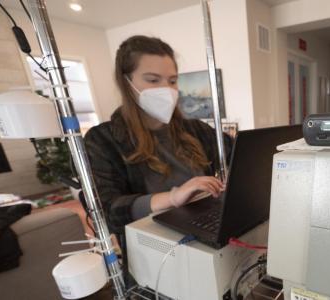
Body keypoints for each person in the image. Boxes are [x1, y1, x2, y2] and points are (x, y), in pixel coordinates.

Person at [84, 35, 232, 234]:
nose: (166, 89)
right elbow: (106, 211)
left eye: (172, 81)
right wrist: (173, 197)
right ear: (126, 82)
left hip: (203, 230)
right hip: (151, 245)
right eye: (153, 80)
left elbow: (238, 153)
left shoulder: (195, 130)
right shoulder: (102, 141)